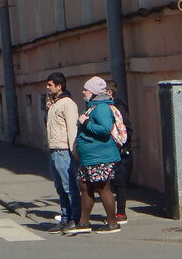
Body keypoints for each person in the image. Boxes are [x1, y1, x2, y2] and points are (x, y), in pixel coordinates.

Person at [67, 76, 121, 235]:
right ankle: (84, 223)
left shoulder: (102, 107)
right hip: (89, 157)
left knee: (102, 187)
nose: (83, 92)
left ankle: (112, 223)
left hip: (100, 156)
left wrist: (85, 123)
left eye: (86, 90)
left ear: (94, 92)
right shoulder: (92, 106)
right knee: (85, 186)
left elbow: (105, 129)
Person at [44, 72, 80, 232]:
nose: (47, 87)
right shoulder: (54, 104)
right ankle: (65, 218)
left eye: (50, 85)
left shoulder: (67, 104)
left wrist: (74, 152)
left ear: (59, 86)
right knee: (60, 188)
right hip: (54, 150)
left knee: (69, 187)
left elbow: (72, 128)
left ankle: (75, 218)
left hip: (64, 151)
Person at [106, 79, 133, 224]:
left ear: (109, 93)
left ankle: (121, 213)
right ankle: (113, 214)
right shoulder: (107, 106)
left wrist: (124, 145)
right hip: (112, 149)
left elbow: (127, 127)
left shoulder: (118, 106)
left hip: (119, 149)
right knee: (111, 182)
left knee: (119, 182)